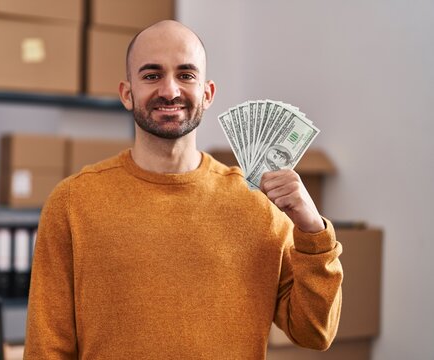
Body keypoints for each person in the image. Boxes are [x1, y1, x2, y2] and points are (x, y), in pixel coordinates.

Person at [24, 20, 342, 360]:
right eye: (151, 75)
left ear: (207, 94)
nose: (170, 90)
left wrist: (313, 231)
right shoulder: (73, 202)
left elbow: (315, 332)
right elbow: (47, 348)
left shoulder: (259, 206)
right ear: (127, 94)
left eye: (186, 75)